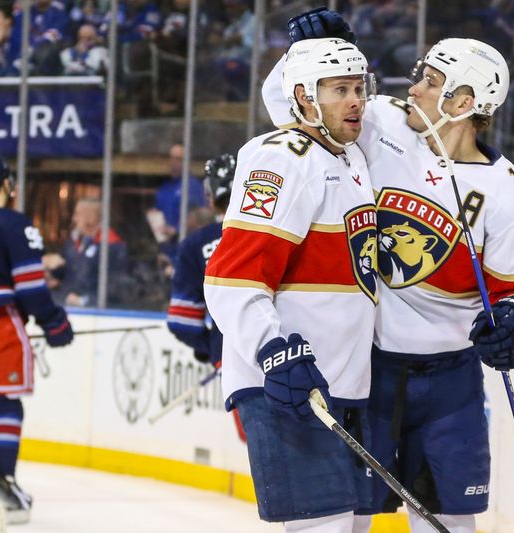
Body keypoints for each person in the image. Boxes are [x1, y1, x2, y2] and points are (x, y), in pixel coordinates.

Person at [266, 12, 514, 533]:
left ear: (464, 103)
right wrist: (309, 54)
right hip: (367, 368)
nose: (413, 89)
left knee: (450, 523)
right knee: (347, 519)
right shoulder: (382, 124)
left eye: (431, 82)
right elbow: (290, 106)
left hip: (450, 383)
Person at [204, 38, 378, 532]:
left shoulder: (350, 159)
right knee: (324, 526)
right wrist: (273, 350)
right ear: (304, 97)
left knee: (353, 525)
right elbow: (231, 276)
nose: (355, 101)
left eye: (358, 88)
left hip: (341, 381)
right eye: (339, 89)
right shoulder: (282, 156)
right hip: (287, 380)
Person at [0, 152, 74, 523]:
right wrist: (55, 323)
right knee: (4, 401)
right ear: (7, 185)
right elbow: (31, 288)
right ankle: (2, 480)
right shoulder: (14, 223)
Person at [167, 154, 235, 367]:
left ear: (211, 199)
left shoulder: (196, 244)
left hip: (232, 363)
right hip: (292, 358)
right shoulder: (281, 235)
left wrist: (211, 346)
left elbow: (182, 321)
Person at [44, 197, 129, 307]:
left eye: (77, 214)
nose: (74, 219)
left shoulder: (112, 246)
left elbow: (115, 287)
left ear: (91, 218)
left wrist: (84, 301)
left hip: (94, 313)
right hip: (66, 305)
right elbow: (65, 273)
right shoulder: (74, 241)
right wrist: (50, 267)